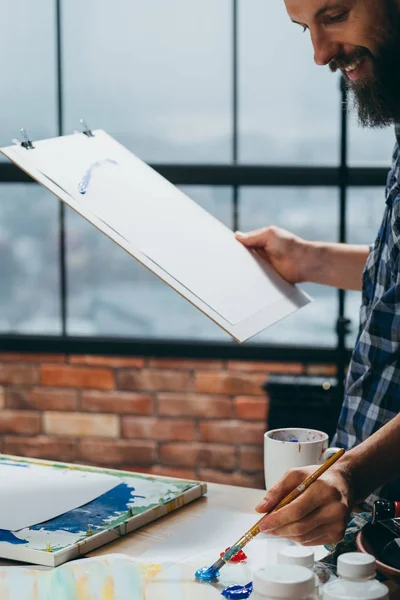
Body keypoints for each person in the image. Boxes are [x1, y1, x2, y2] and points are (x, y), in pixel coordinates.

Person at [236, 0, 400, 548]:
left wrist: (351, 474)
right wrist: (305, 259)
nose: (320, 53)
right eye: (304, 29)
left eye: (334, 16)